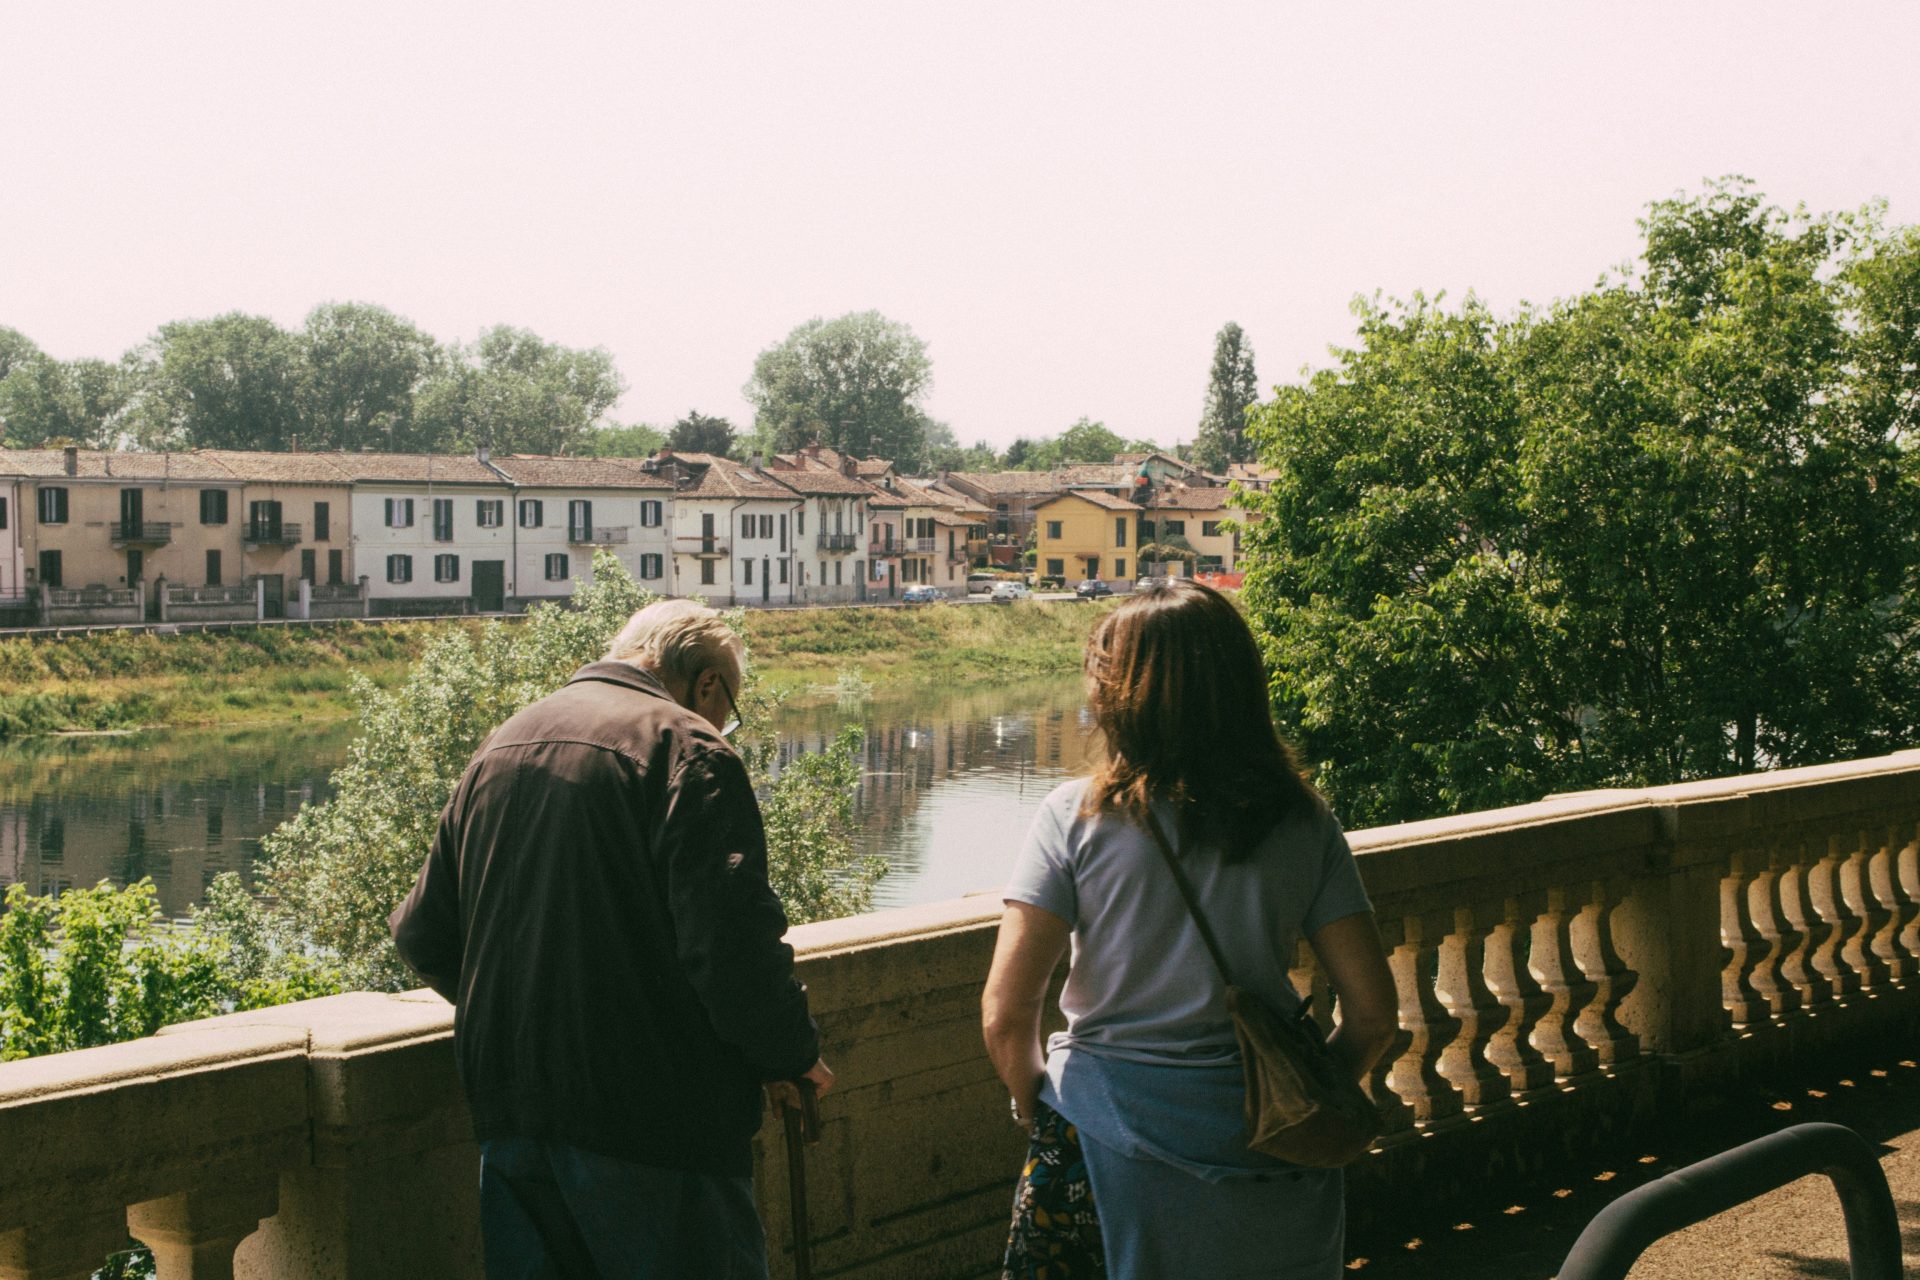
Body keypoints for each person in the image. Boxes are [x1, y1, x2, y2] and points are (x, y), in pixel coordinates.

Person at [390, 598, 834, 1279]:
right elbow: (731, 946)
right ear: (706, 683)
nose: (722, 723)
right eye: (728, 707)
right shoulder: (687, 747)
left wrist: (529, 1016)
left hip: (514, 1115)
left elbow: (424, 934)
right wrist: (790, 1054)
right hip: (657, 1128)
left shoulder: (504, 743)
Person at [981, 580, 1398, 1279]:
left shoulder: (1073, 819)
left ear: (1123, 694)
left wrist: (1045, 1111)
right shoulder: (1303, 820)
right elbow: (1374, 1015)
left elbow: (1006, 1012)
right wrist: (1296, 1101)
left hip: (1105, 1140)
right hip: (1273, 1155)